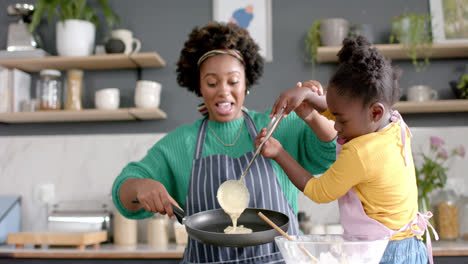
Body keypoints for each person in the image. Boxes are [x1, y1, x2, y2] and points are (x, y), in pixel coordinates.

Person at [111, 22, 337, 264]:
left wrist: (312, 114)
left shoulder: (279, 126)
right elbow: (123, 193)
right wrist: (140, 187)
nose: (223, 91)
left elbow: (330, 153)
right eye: (211, 83)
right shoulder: (180, 144)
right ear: (199, 87)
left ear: (246, 84)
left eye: (233, 81)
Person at [256, 36, 437, 264]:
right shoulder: (392, 123)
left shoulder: (361, 152)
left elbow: (319, 191)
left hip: (385, 254)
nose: (335, 126)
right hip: (409, 247)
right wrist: (310, 97)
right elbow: (343, 111)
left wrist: (278, 153)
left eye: (341, 121)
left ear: (375, 113)